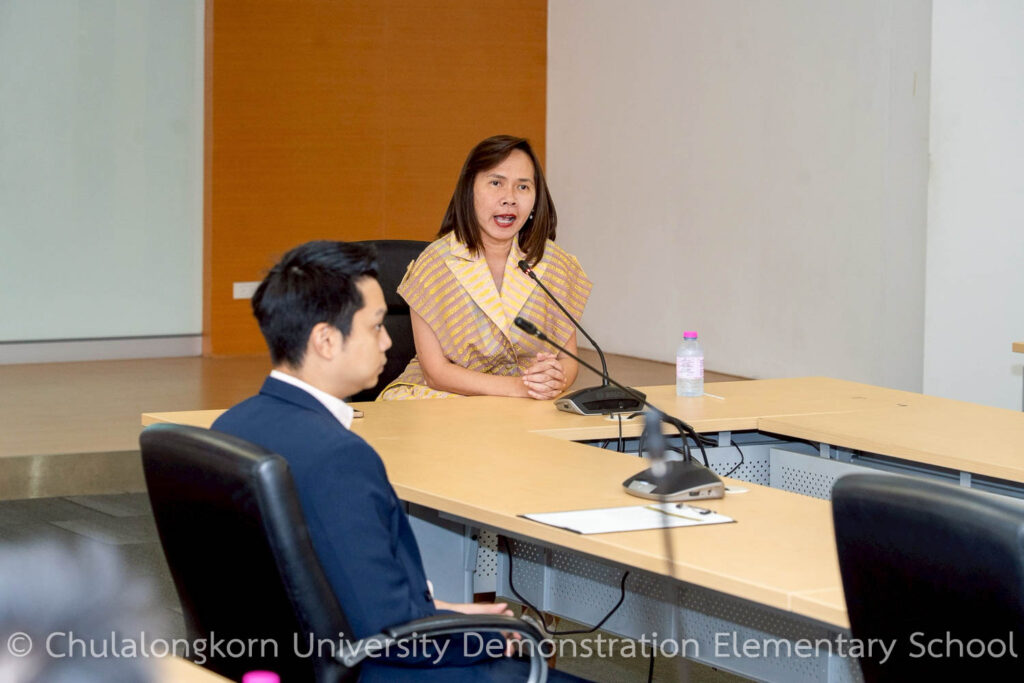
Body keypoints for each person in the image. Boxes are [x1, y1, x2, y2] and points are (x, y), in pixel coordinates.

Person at [211, 241, 584, 682]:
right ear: (326, 341)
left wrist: (438, 609)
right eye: (375, 326)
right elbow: (391, 635)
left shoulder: (229, 426)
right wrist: (487, 636)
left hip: (281, 658)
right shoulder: (339, 458)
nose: (388, 340)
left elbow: (320, 583)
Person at [380, 135, 592, 401]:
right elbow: (436, 373)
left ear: (536, 199)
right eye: (496, 183)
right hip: (445, 395)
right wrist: (518, 388)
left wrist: (553, 379)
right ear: (469, 191)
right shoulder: (434, 264)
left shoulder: (556, 264)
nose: (509, 198)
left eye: (523, 187)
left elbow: (568, 360)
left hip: (528, 398)